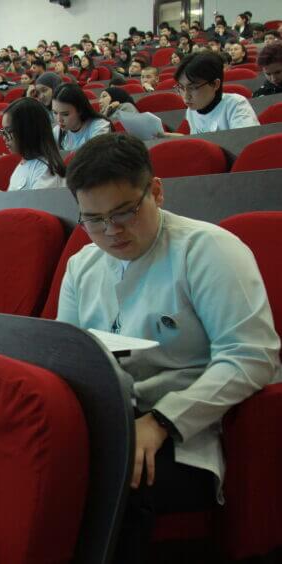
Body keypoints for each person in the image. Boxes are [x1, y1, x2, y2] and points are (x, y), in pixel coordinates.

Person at [57, 133, 280, 564]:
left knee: (110, 485)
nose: (111, 231)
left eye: (124, 212)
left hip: (193, 422)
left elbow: (250, 355)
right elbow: (70, 357)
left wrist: (162, 421)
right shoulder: (82, 265)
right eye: (94, 219)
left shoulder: (207, 250)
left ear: (156, 191)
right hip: (113, 416)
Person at [0, 98, 66, 192]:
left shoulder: (46, 169)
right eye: (3, 132)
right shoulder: (25, 162)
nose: (4, 137)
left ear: (28, 131)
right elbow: (16, 201)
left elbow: (31, 205)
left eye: (9, 131)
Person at [176, 52, 259, 134]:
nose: (186, 96)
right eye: (181, 87)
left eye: (193, 87)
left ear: (215, 84)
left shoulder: (236, 105)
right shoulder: (191, 111)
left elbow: (247, 139)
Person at [52, 83, 112, 151]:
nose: (59, 119)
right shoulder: (57, 132)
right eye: (55, 113)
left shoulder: (100, 127)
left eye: (65, 114)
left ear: (80, 110)